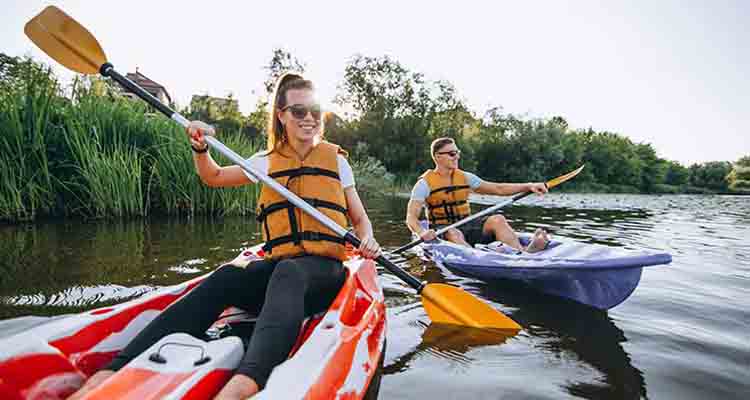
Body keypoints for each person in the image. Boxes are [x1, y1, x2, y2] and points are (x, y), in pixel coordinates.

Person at [70, 73, 382, 400]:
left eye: (314, 111)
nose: (308, 118)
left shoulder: (336, 160)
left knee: (290, 272)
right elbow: (213, 176)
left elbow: (359, 219)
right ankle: (112, 370)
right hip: (281, 271)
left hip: (323, 274)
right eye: (298, 111)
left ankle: (245, 383)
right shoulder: (265, 162)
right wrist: (199, 147)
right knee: (228, 277)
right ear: (281, 115)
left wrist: (369, 239)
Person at [405, 137, 550, 253]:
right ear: (437, 157)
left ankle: (522, 254)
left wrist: (529, 186)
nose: (456, 157)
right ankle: (479, 257)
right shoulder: (424, 184)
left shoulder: (466, 177)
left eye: (457, 153)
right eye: (451, 154)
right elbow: (411, 218)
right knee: (452, 232)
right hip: (443, 229)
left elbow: (498, 189)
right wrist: (421, 232)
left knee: (497, 219)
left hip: (467, 224)